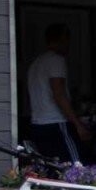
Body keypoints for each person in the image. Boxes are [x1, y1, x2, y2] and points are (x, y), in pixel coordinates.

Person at [25, 23, 90, 162]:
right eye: (67, 40)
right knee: (75, 165)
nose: (68, 45)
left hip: (38, 124)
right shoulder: (56, 60)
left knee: (50, 166)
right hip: (56, 122)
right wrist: (78, 125)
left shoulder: (36, 63)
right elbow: (59, 94)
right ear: (62, 39)